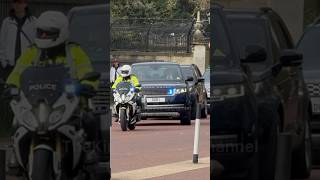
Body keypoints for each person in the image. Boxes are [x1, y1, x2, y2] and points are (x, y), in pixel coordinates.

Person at [5, 11, 100, 172]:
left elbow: (87, 71)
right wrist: (11, 86)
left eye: (48, 33)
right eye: (40, 32)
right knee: (16, 119)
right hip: (36, 101)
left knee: (90, 117)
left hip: (69, 101)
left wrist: (88, 84)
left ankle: (89, 149)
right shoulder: (32, 52)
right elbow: (17, 72)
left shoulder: (74, 51)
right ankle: (14, 150)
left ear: (61, 33)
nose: (43, 35)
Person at [0, 0, 36, 79]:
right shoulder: (6, 22)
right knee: (10, 89)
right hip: (10, 66)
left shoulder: (33, 21)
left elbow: (36, 43)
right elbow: (2, 43)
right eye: (15, 2)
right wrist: (4, 63)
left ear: (25, 4)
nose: (17, 5)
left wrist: (33, 61)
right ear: (12, 4)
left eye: (20, 2)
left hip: (27, 65)